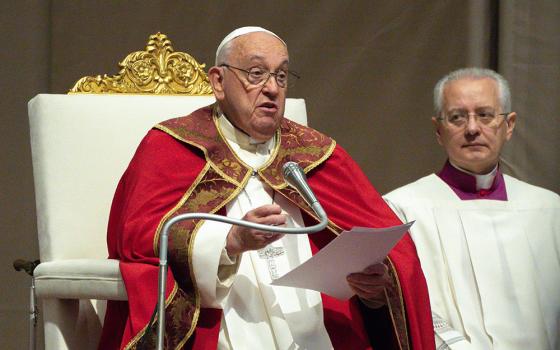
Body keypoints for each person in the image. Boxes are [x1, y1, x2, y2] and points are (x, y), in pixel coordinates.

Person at [99, 27, 433, 350]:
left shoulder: (316, 153)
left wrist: (374, 292)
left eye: (282, 76)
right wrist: (230, 241)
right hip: (218, 324)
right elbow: (138, 236)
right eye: (256, 74)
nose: (272, 88)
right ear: (218, 81)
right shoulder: (174, 145)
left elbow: (390, 251)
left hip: (319, 328)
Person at [384, 67, 560, 349]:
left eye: (485, 114)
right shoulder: (402, 208)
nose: (472, 128)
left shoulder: (549, 209)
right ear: (438, 131)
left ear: (509, 125)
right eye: (456, 117)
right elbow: (404, 301)